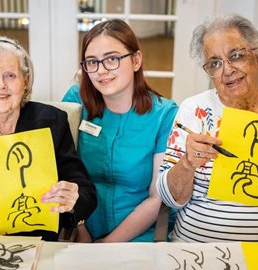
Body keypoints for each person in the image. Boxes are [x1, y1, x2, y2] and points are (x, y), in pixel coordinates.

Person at [157, 14, 258, 244]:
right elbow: (169, 198)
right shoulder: (194, 110)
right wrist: (187, 164)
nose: (227, 70)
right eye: (215, 63)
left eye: (236, 56)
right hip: (199, 249)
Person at [0, 36, 97, 241]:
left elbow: (86, 193)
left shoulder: (51, 122)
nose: (0, 84)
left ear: (25, 81)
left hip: (41, 246)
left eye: (10, 75)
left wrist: (73, 199)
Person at [62, 19, 178, 242]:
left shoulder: (165, 115)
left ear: (136, 60)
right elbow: (62, 172)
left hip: (139, 235)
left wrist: (106, 244)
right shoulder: (75, 101)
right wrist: (80, 226)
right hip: (80, 229)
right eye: (92, 62)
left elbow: (157, 198)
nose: (101, 71)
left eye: (112, 59)